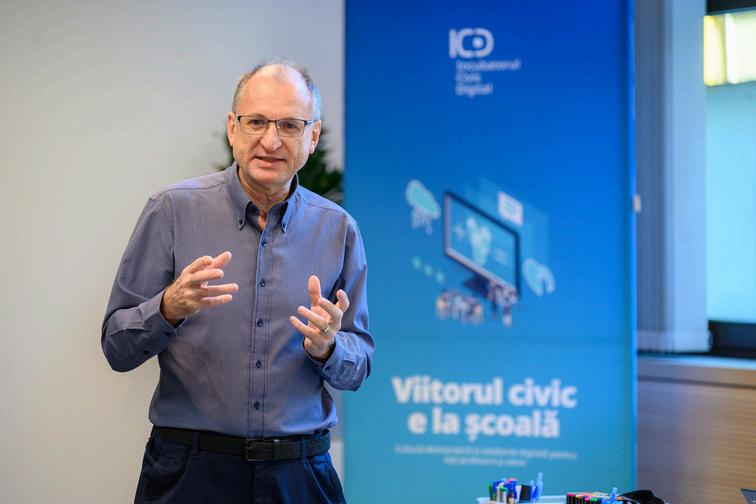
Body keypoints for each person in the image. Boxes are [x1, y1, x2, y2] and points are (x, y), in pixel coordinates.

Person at [102, 60, 373, 504]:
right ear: (233, 128)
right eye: (256, 122)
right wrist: (167, 307)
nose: (271, 140)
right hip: (190, 473)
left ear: (313, 137)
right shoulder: (171, 211)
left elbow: (358, 365)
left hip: (299, 473)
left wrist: (329, 347)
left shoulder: (338, 230)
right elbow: (116, 347)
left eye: (289, 125)